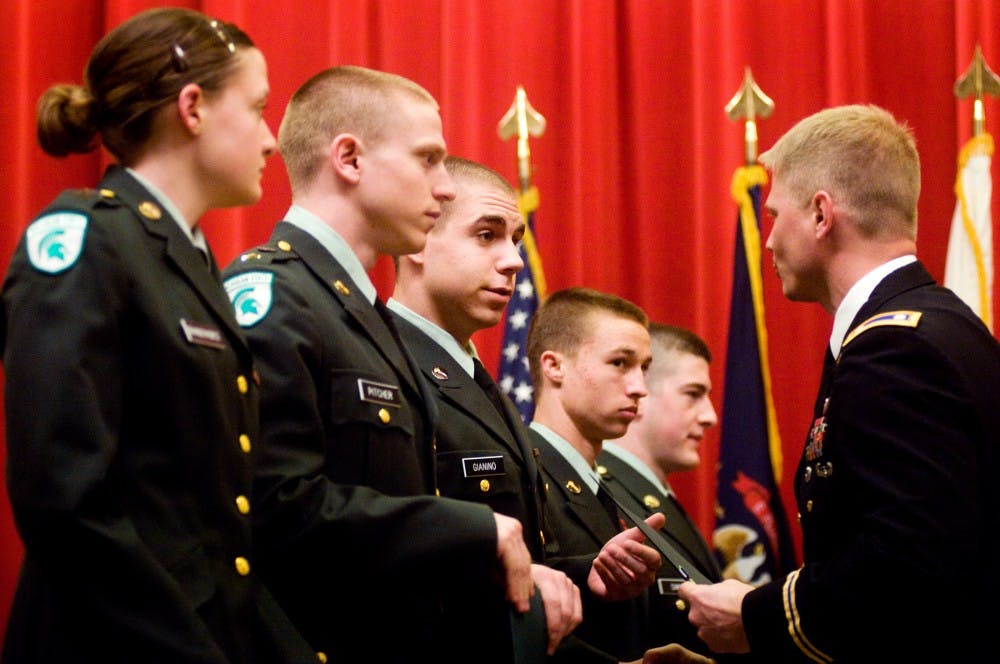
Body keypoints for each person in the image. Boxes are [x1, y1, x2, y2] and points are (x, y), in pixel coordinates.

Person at [1, 8, 316, 663]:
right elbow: (65, 504)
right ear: (193, 107)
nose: (270, 140)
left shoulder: (189, 263)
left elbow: (210, 530)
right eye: (257, 108)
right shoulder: (88, 243)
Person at [222, 66, 534, 663]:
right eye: (427, 159)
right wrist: (474, 530)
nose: (444, 188)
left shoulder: (363, 313)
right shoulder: (273, 295)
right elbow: (271, 510)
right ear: (350, 159)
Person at [678, 104, 1000, 662]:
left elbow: (905, 568)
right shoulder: (940, 326)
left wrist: (757, 616)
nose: (770, 239)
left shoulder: (895, 350)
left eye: (776, 214)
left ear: (822, 215)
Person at [388, 155, 668, 663]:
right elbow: (393, 566)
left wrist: (585, 573)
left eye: (515, 239)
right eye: (486, 235)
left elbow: (519, 564)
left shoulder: (472, 376)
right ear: (419, 242)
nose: (514, 260)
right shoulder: (388, 364)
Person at [525, 286, 659, 660]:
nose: (640, 388)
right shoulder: (526, 475)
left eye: (644, 368)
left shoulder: (601, 483)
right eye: (620, 363)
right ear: (554, 366)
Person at [597, 323, 724, 656]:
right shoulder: (605, 498)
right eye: (693, 394)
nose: (710, 416)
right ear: (640, 392)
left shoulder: (648, 496)